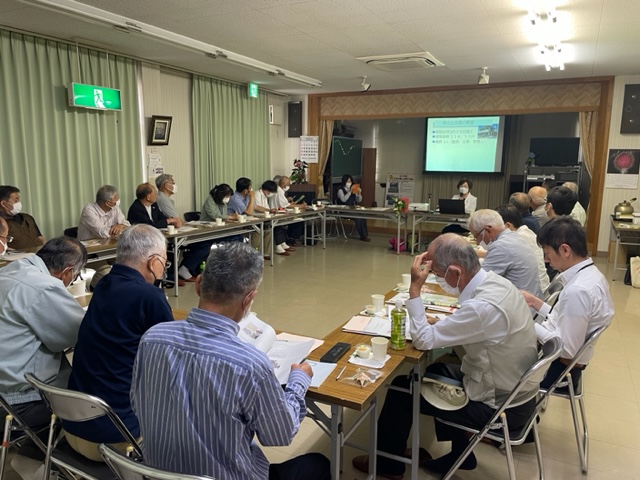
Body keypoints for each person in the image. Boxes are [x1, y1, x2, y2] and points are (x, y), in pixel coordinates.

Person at [131, 243, 330, 480]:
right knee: (318, 465)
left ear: (198, 284)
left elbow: (137, 403)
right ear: (248, 299)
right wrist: (298, 380)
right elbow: (279, 435)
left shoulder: (152, 338)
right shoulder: (250, 364)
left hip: (156, 474)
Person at [352, 234, 538, 478]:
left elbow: (424, 340)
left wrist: (415, 290)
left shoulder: (482, 307)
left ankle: (388, 465)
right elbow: (478, 329)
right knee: (436, 371)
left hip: (499, 405)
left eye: (437, 273)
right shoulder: (497, 284)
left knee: (400, 389)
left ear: (455, 271)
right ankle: (462, 452)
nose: (437, 279)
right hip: (516, 391)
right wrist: (442, 324)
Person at [62, 225, 174, 461]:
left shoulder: (104, 284)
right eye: (165, 261)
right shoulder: (150, 296)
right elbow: (171, 363)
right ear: (154, 262)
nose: (164, 268)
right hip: (116, 439)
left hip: (72, 426)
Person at [0, 236, 87, 430]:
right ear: (67, 272)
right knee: (92, 392)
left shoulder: (9, 271)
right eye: (76, 276)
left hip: (4, 393)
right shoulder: (44, 286)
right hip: (19, 403)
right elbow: (77, 334)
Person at [521, 217, 614, 389]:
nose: (546, 260)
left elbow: (566, 349)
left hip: (556, 370)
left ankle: (516, 412)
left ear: (565, 250)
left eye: (547, 253)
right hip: (559, 361)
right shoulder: (592, 275)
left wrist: (526, 323)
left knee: (493, 364)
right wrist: (535, 303)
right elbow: (566, 317)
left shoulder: (578, 290)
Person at [469, 209, 542, 297]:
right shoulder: (514, 237)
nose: (477, 241)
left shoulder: (501, 246)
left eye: (476, 236)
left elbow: (479, 283)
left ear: (488, 230)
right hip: (528, 299)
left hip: (520, 305)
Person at [495, 204, 549, 292]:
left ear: (507, 225)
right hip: (540, 286)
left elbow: (493, 267)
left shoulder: (517, 238)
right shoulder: (527, 232)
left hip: (530, 292)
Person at [256, 180, 294, 257]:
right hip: (257, 218)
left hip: (265, 217)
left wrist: (272, 211)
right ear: (267, 190)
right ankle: (278, 247)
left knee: (276, 224)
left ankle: (267, 252)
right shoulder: (257, 194)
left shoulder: (264, 196)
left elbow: (266, 208)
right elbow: (257, 208)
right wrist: (269, 210)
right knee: (275, 226)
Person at [0, 185, 45, 249]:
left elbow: (40, 238)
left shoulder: (28, 218)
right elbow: (2, 247)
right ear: (3, 204)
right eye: (16, 200)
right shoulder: (1, 223)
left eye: (19, 200)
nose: (19, 203)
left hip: (39, 255)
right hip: (16, 257)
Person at [271, 175, 304, 245]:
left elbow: (284, 204)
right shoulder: (279, 192)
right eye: (288, 184)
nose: (289, 186)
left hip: (278, 210)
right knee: (299, 220)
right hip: (278, 213)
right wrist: (301, 206)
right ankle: (291, 239)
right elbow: (286, 206)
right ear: (283, 184)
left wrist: (288, 201)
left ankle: (288, 239)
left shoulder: (278, 190)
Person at [336, 174, 370, 242]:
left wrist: (359, 193)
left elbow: (359, 200)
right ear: (344, 182)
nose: (349, 183)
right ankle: (363, 236)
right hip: (343, 210)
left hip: (352, 208)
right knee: (357, 216)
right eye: (348, 181)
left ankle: (365, 234)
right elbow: (343, 200)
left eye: (350, 181)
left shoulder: (354, 188)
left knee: (363, 215)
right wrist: (349, 192)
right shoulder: (340, 190)